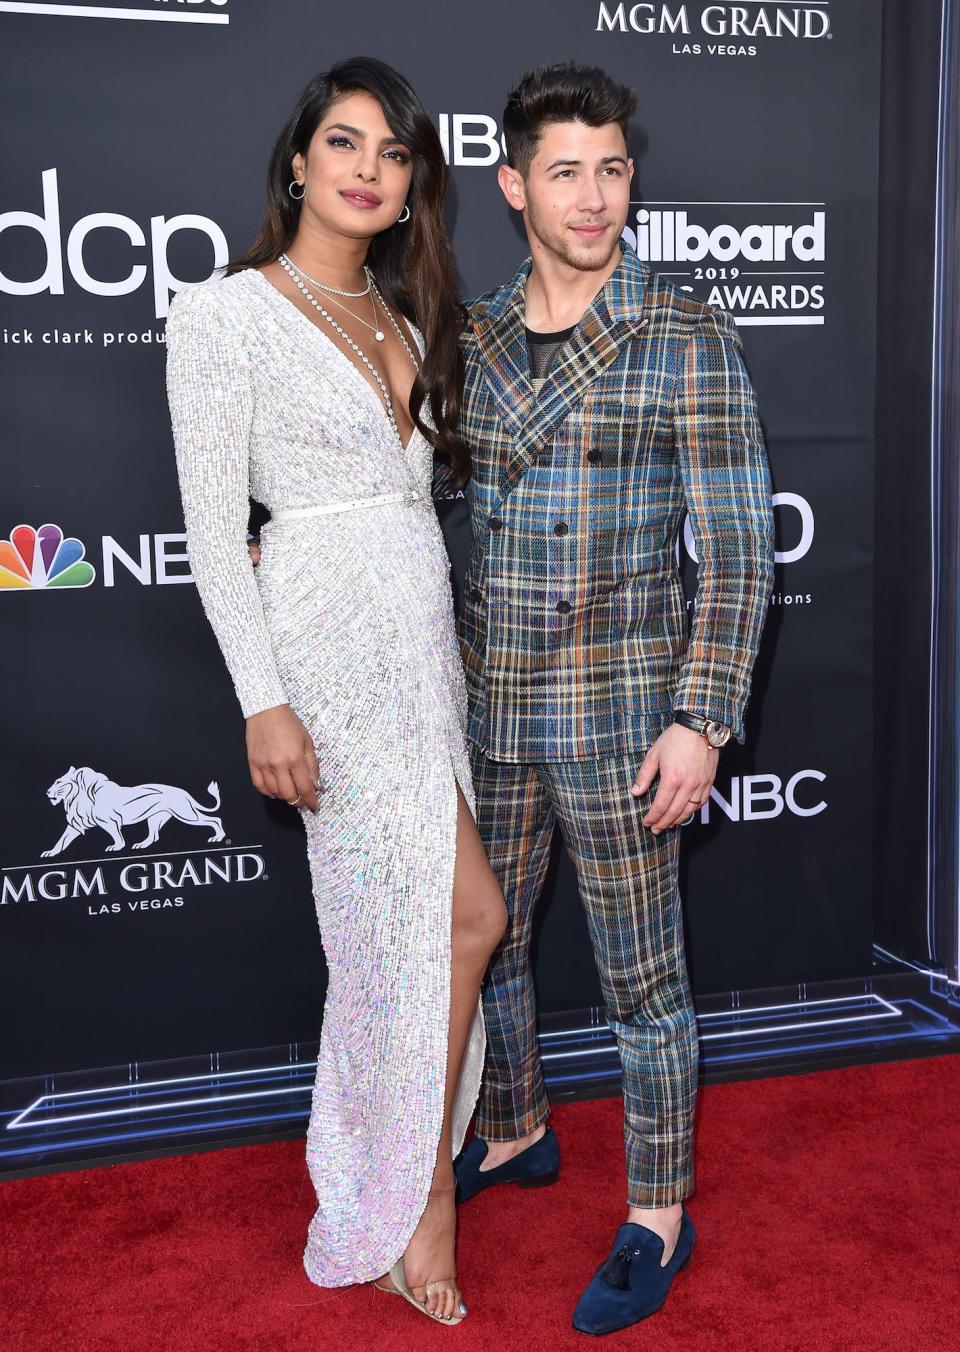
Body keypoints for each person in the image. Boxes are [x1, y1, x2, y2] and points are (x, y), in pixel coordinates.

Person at [165, 56, 506, 1327]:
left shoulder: (412, 318)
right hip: (322, 646)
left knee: (438, 927)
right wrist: (264, 696)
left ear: (415, 185)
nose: (368, 169)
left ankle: (407, 1168)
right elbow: (210, 532)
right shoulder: (224, 315)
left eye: (395, 152)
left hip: (420, 644)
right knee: (423, 928)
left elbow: (416, 507)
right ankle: (417, 1191)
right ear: (299, 160)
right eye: (345, 143)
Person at [449, 62, 775, 1336]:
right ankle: (517, 1121)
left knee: (645, 983)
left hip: (628, 714)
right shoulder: (467, 336)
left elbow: (741, 548)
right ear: (513, 184)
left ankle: (658, 1211)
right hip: (490, 705)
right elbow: (438, 511)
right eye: (567, 170)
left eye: (614, 168)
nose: (595, 197)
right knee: (494, 949)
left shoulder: (681, 331)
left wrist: (702, 716)